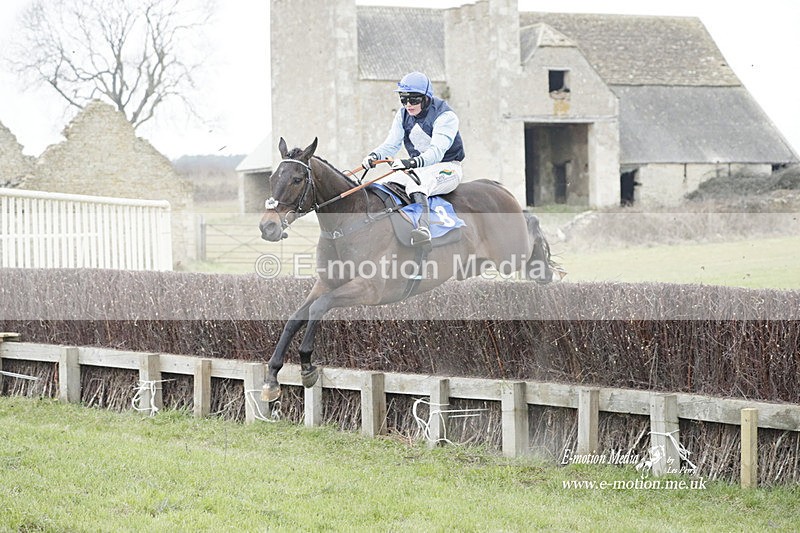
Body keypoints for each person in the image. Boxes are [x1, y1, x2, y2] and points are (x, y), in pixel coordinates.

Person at [362, 71, 465, 247]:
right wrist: (373, 155)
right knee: (382, 183)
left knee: (417, 184)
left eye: (414, 100)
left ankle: (424, 229)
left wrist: (409, 163)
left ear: (426, 98)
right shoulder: (402, 115)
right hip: (419, 168)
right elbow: (391, 145)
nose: (408, 105)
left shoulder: (445, 116)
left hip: (448, 167)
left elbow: (436, 153)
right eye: (403, 99)